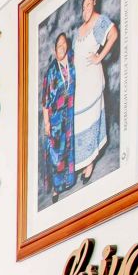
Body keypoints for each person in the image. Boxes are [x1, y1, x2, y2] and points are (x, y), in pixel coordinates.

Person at [73, 0, 117, 182]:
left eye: (89, 5)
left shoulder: (99, 22)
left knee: (91, 118)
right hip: (80, 82)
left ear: (95, 3)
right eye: (84, 6)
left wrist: (99, 57)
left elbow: (113, 35)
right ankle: (83, 159)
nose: (86, 9)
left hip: (92, 79)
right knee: (80, 121)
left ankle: (90, 162)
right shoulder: (80, 29)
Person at [40, 33, 78, 200]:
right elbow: (45, 101)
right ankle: (56, 188)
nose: (62, 47)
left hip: (69, 114)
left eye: (64, 44)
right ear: (55, 51)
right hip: (55, 118)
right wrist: (47, 123)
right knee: (57, 152)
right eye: (59, 45)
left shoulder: (72, 61)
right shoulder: (51, 72)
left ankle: (68, 182)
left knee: (68, 148)